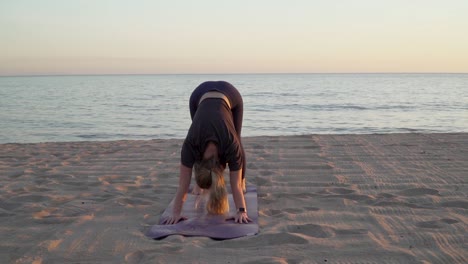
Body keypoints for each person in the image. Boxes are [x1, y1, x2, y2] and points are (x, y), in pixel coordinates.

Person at [163, 81, 251, 224]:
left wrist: (242, 211)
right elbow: (183, 186)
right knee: (200, 123)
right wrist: (175, 213)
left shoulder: (230, 145)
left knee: (238, 139)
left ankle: (243, 180)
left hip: (230, 95)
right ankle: (200, 185)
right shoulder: (190, 145)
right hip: (198, 97)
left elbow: (235, 186)